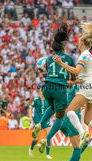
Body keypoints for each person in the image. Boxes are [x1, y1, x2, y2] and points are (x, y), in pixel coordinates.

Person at [32, 23, 76, 154]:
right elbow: (73, 76)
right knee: (60, 117)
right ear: (63, 47)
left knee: (52, 107)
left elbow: (46, 69)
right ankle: (48, 138)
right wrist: (73, 82)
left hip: (47, 87)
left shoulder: (49, 59)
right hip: (59, 88)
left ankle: (39, 123)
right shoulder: (69, 58)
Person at [28, 87, 52, 159]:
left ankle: (47, 154)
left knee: (49, 137)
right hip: (37, 121)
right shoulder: (36, 100)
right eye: (41, 91)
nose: (42, 93)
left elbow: (51, 109)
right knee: (36, 139)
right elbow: (30, 108)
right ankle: (31, 148)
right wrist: (30, 117)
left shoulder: (48, 100)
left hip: (46, 120)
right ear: (39, 92)